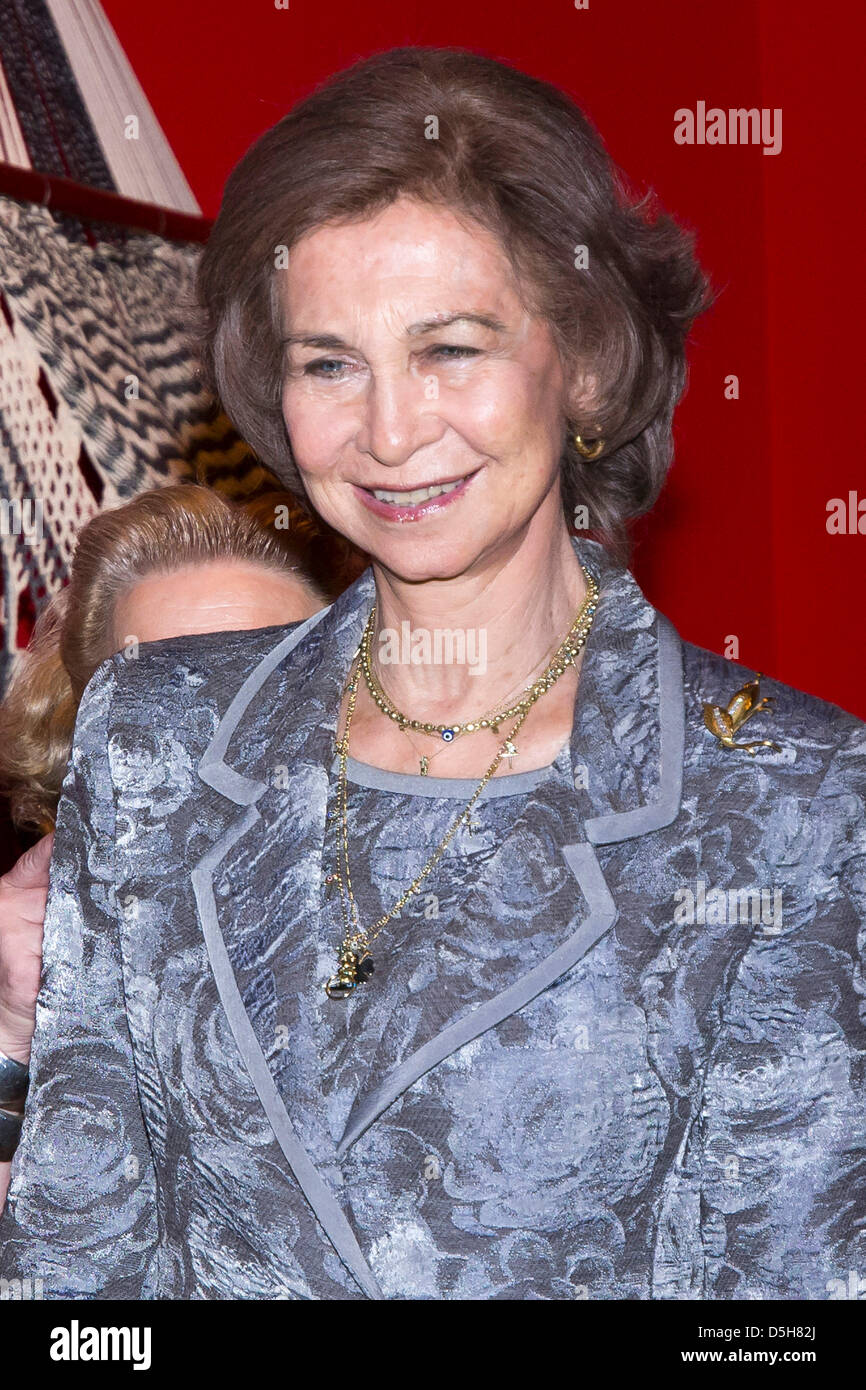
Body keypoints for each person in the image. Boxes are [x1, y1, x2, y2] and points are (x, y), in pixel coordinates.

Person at [0, 46, 863, 1300]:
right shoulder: (158, 735)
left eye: (449, 349)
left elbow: (773, 1318)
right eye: (329, 362)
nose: (390, 432)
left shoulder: (792, 802)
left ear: (582, 361)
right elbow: (75, 1271)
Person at [0, 482, 329, 1204]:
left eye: (270, 683)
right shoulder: (46, 954)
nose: (223, 753)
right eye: (167, 699)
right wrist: (16, 1033)